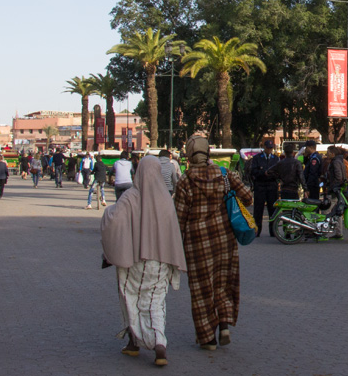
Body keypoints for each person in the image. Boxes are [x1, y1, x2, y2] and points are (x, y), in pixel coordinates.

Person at [101, 156, 187, 367]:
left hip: (135, 261)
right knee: (155, 303)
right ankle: (159, 344)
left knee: (132, 299)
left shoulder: (131, 197)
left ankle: (135, 341)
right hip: (161, 262)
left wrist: (107, 212)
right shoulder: (166, 199)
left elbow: (114, 220)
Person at [173, 136, 253, 350]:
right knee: (224, 283)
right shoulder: (224, 174)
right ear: (208, 152)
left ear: (189, 155)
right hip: (224, 240)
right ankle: (224, 325)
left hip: (196, 244)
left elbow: (179, 219)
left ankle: (208, 338)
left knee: (201, 289)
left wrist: (175, 252)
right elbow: (248, 197)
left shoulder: (185, 181)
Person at [249, 139, 279, 237]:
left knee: (272, 209)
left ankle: (273, 231)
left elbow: (278, 172)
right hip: (260, 185)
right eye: (268, 148)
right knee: (258, 209)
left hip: (271, 186)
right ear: (264, 147)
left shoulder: (275, 159)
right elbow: (253, 171)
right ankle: (257, 230)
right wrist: (263, 173)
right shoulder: (257, 158)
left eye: (271, 148)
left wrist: (270, 175)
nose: (269, 150)